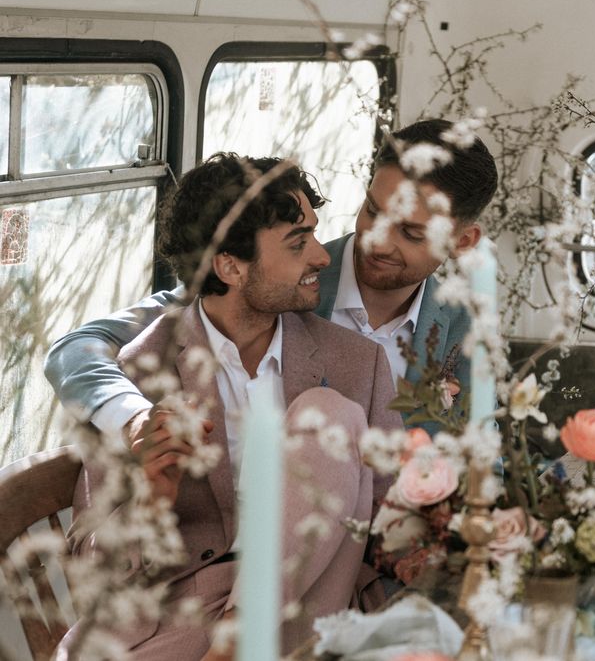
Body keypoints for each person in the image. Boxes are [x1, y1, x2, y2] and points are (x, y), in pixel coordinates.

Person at [58, 154, 403, 659]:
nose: (323, 258)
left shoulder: (358, 364)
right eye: (297, 242)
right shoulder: (142, 376)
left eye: (313, 235)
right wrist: (151, 501)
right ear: (230, 266)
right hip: (185, 611)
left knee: (328, 413)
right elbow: (94, 564)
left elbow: (394, 523)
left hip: (314, 602)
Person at [44, 119, 498, 435]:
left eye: (409, 231)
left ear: (463, 241)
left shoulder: (465, 327)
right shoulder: (271, 282)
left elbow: (481, 451)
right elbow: (75, 350)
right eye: (372, 210)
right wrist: (131, 417)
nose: (377, 240)